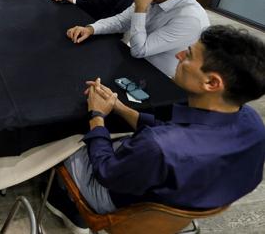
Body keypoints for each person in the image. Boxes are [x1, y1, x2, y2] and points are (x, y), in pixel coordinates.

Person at [45, 25, 265, 233]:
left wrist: (97, 116)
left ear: (212, 83)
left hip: (122, 204)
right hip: (183, 200)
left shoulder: (159, 146)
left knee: (67, 141)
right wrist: (121, 108)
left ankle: (66, 203)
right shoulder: (253, 123)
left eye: (188, 55)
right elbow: (173, 134)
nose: (178, 55)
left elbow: (105, 171)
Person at [66, 0, 209, 77]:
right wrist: (91, 29)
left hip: (160, 78)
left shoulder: (190, 19)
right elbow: (122, 21)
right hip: (134, 64)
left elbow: (140, 50)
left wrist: (141, 8)